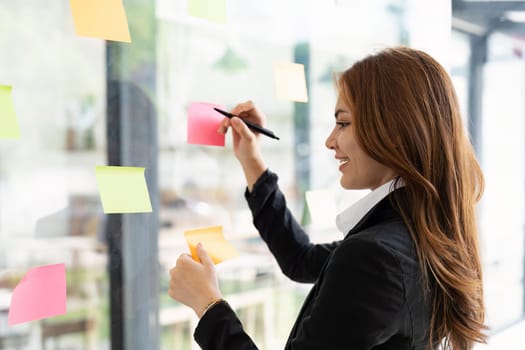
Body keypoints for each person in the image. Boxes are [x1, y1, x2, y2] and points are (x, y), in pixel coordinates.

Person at [168, 46, 487, 350]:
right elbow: (300, 259)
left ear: (394, 130)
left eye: (343, 123)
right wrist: (252, 161)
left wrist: (207, 304)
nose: (329, 141)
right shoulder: (422, 231)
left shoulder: (376, 256)